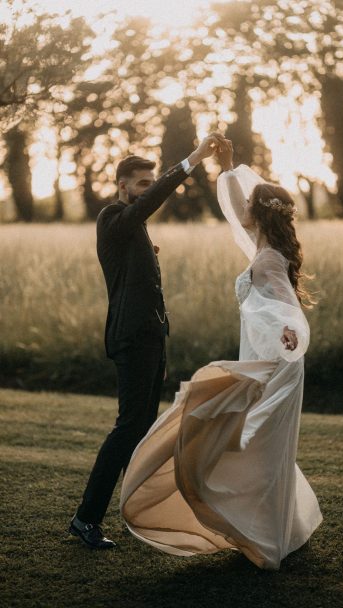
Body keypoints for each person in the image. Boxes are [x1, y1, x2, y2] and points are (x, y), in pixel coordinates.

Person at [119, 139, 323, 570]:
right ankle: (263, 527)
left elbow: (286, 308)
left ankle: (263, 535)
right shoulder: (263, 246)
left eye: (251, 201)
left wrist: (289, 332)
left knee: (252, 446)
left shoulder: (268, 260)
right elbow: (234, 207)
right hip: (262, 356)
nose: (242, 207)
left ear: (262, 212)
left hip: (273, 364)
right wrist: (228, 169)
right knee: (248, 444)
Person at [69, 133, 226, 549]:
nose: (145, 189)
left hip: (151, 338)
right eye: (140, 183)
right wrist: (191, 159)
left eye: (147, 182)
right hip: (131, 338)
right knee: (127, 429)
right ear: (123, 184)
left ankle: (133, 515)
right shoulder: (112, 218)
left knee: (140, 432)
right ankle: (86, 519)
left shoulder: (134, 229)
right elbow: (148, 202)